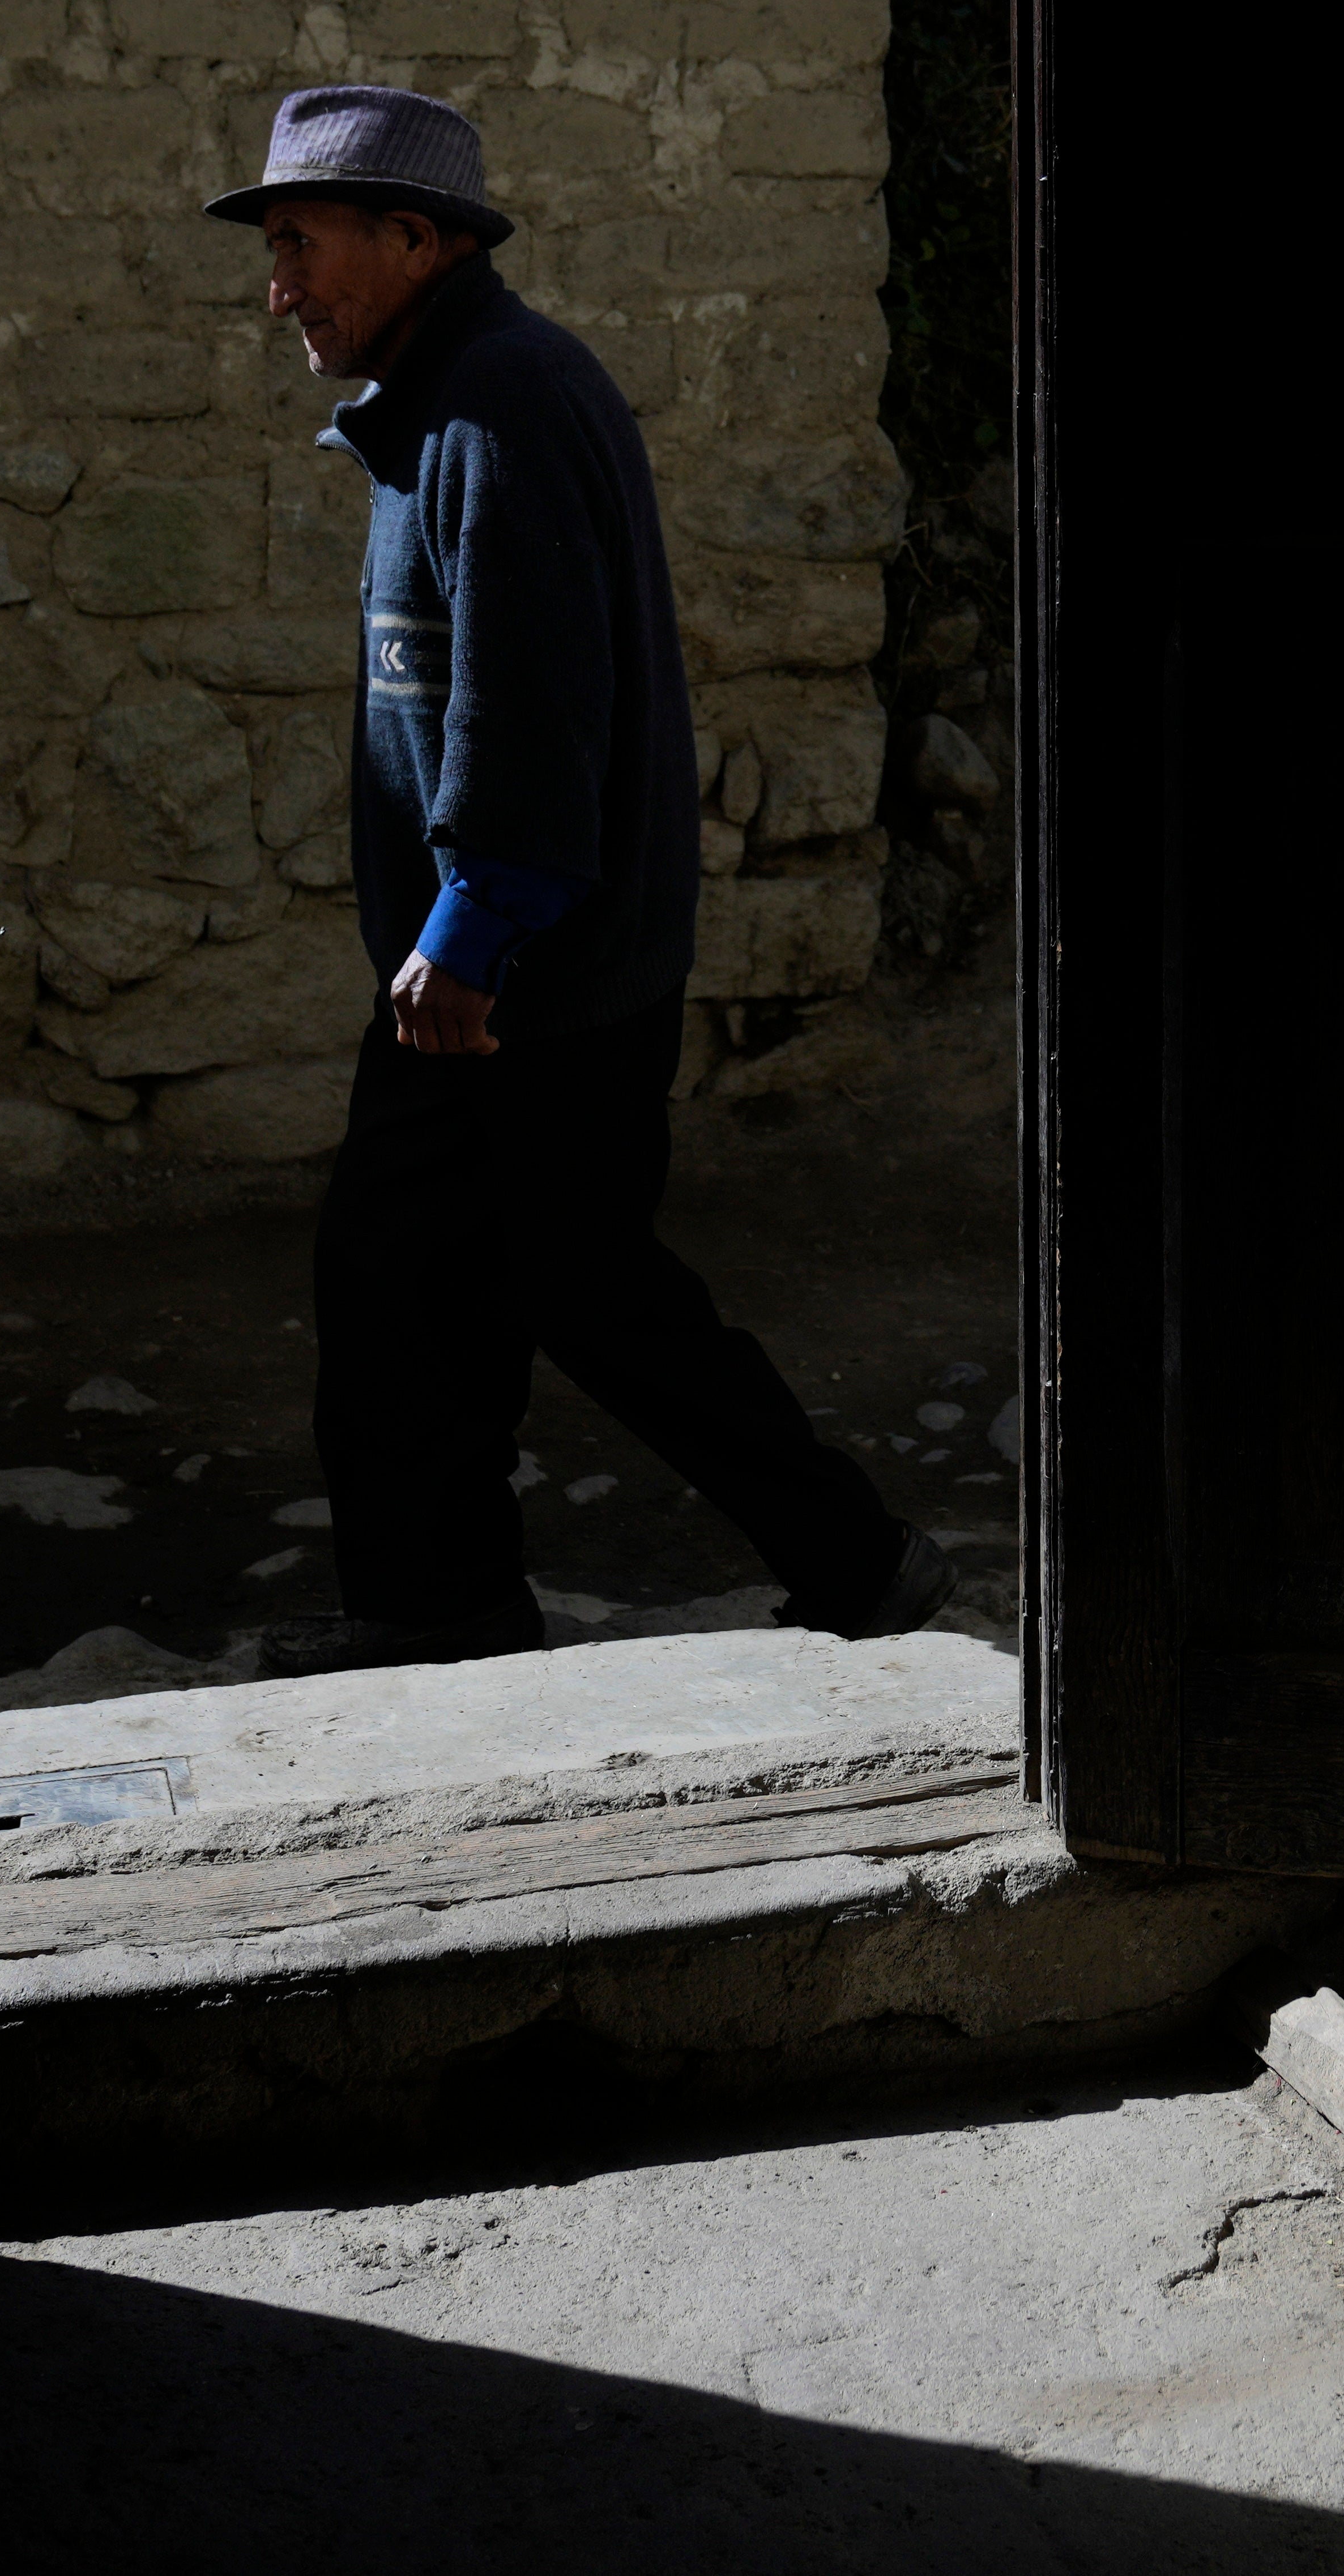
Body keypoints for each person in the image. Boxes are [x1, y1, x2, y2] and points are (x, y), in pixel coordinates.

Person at [207, 87, 952, 1675]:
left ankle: (850, 1561)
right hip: (500, 963)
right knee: (429, 1279)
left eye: (302, 248)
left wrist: (474, 924)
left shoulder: (503, 406)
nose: (278, 290)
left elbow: (536, 698)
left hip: (524, 973)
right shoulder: (446, 397)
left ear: (418, 240)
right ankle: (449, 1609)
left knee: (568, 1287)